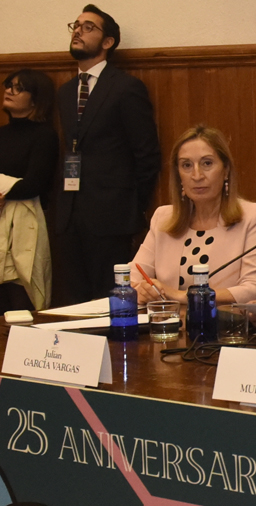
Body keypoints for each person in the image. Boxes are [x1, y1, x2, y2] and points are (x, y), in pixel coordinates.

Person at [55, 4, 161, 305]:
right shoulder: (65, 91)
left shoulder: (126, 88)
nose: (78, 30)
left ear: (108, 42)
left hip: (111, 215)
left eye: (88, 27)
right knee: (73, 300)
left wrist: (132, 207)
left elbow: (147, 155)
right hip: (70, 215)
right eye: (75, 25)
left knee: (108, 300)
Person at [130, 126, 256, 304]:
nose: (197, 175)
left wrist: (182, 296)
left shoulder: (253, 216)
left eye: (207, 163)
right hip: (167, 324)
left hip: (224, 325)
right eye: (187, 165)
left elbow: (253, 288)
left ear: (225, 170)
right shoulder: (163, 217)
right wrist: (141, 290)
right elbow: (132, 275)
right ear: (178, 174)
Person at [0, 69, 59, 311]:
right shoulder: (1, 134)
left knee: (20, 298)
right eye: (8, 85)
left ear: (36, 99)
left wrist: (3, 192)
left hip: (24, 219)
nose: (8, 90)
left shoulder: (44, 136)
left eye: (18, 87)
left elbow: (35, 183)